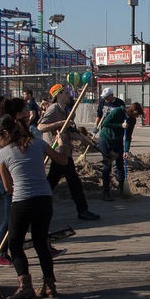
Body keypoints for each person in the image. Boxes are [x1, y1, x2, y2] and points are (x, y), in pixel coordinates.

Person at [0, 114, 68, 299]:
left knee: (15, 244)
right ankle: (50, 285)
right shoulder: (37, 143)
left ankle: (25, 286)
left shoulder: (3, 154)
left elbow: (8, 188)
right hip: (44, 199)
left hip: (23, 201)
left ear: (4, 133)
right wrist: (61, 143)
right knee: (41, 243)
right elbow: (62, 160)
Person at [39, 84, 101, 221]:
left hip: (64, 150)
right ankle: (82, 210)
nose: (69, 95)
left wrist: (83, 139)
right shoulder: (53, 109)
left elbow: (67, 132)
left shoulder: (64, 111)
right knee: (74, 182)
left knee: (50, 183)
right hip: (57, 151)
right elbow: (40, 127)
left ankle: (36, 206)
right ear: (58, 95)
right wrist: (60, 123)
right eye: (67, 93)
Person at [97, 99, 141, 201]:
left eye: (137, 116)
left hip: (117, 141)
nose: (135, 117)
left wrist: (126, 150)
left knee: (120, 165)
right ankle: (106, 193)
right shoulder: (118, 111)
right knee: (107, 165)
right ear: (131, 110)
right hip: (106, 139)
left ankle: (122, 190)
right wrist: (120, 125)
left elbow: (128, 136)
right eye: (135, 114)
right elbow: (105, 123)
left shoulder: (132, 120)